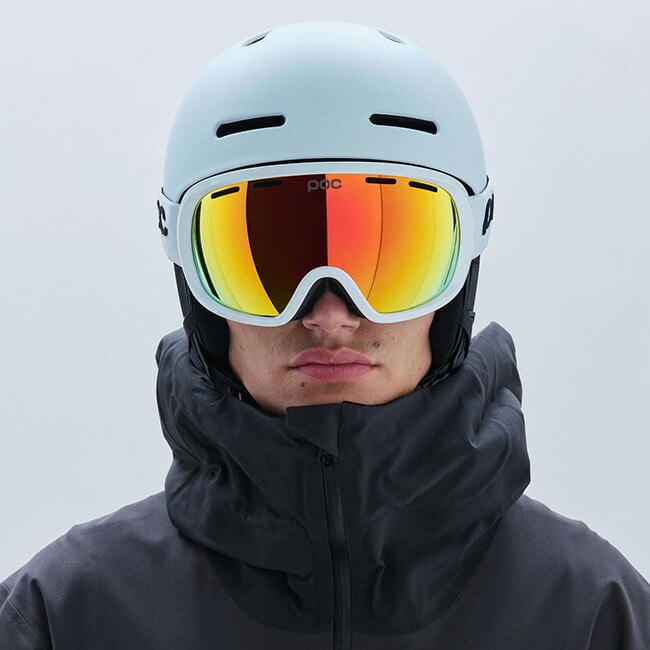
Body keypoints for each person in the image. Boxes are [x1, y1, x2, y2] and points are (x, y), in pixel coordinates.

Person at [1, 21, 648, 649]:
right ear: (196, 287)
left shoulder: (593, 616)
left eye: (393, 258)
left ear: (461, 275)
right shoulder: (64, 617)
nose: (331, 314)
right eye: (266, 262)